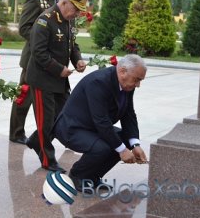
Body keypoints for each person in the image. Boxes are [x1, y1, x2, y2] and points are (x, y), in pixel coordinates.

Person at [53, 54, 148, 193]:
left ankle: (93, 177)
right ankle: (77, 175)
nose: (138, 85)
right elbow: (101, 120)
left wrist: (135, 145)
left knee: (125, 140)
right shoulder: (99, 82)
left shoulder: (127, 84)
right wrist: (122, 150)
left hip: (93, 127)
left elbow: (129, 114)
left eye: (140, 80)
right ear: (122, 71)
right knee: (104, 148)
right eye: (137, 80)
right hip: (72, 128)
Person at [25, 0, 91, 172]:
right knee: (45, 122)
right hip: (42, 79)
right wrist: (59, 69)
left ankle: (35, 141)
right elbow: (38, 53)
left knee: (64, 116)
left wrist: (77, 59)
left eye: (79, 10)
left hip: (60, 81)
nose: (77, 14)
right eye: (76, 9)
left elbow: (72, 44)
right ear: (64, 2)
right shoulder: (45, 21)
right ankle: (48, 160)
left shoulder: (67, 20)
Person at [9, 0, 65, 145]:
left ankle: (59, 133)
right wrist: (42, 44)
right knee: (24, 97)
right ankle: (16, 133)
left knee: (54, 99)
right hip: (34, 58)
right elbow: (24, 28)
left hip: (52, 60)